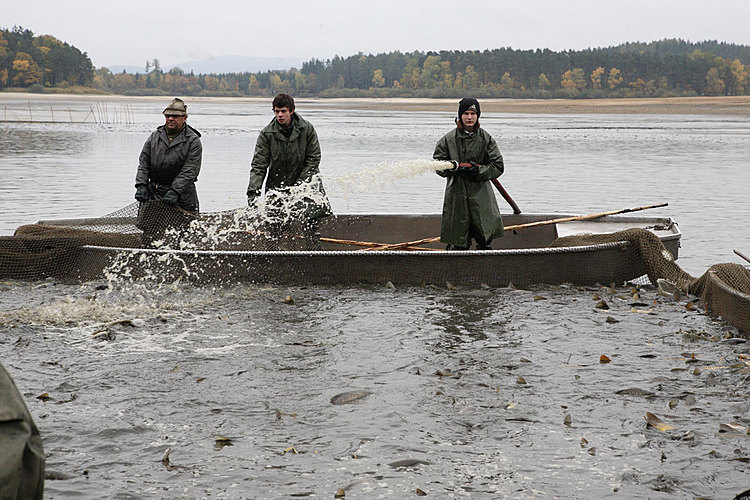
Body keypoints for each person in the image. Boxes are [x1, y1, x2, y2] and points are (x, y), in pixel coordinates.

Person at [246, 93, 331, 246]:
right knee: (274, 228)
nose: (280, 115)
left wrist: (300, 185)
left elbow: (313, 159)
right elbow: (259, 165)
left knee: (311, 225)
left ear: (291, 111)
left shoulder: (307, 129)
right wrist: (253, 191)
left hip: (307, 185)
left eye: (283, 111)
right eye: (276, 111)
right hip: (277, 185)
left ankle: (315, 255)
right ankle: (272, 259)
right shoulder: (267, 134)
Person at [433, 97, 505, 250]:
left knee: (484, 240)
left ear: (477, 116)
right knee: (457, 242)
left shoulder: (486, 139)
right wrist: (451, 167)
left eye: (473, 113)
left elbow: (498, 166)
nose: (469, 117)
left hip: (482, 197)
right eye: (466, 113)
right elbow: (437, 165)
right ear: (460, 116)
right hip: (456, 197)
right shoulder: (448, 140)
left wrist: (477, 170)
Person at [135, 98, 202, 214]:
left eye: (175, 116)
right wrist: (141, 185)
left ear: (184, 118)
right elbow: (143, 163)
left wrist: (175, 191)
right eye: (168, 116)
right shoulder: (155, 136)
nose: (171, 119)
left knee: (183, 231)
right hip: (154, 193)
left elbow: (190, 170)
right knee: (149, 229)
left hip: (182, 196)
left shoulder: (193, 141)